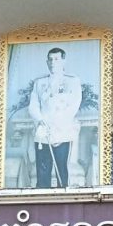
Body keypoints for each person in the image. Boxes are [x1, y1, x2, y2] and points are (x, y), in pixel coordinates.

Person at [28, 47, 82, 188]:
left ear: (63, 61)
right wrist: (41, 121)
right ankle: (42, 197)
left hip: (62, 131)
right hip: (43, 132)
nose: (53, 62)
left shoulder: (72, 81)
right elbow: (33, 106)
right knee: (42, 170)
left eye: (56, 59)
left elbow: (73, 106)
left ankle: (63, 197)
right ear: (47, 62)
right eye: (50, 59)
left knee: (62, 170)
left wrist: (57, 123)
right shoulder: (39, 83)